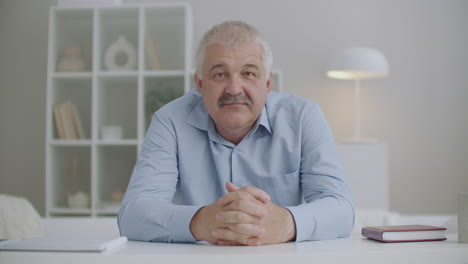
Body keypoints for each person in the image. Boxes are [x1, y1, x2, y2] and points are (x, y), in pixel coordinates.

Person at [118, 21, 354, 246]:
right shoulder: (170, 121)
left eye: (249, 73)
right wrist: (201, 221)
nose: (234, 88)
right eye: (220, 74)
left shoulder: (303, 117)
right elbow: (132, 215)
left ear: (268, 82)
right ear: (199, 83)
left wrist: (286, 223)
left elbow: (341, 210)